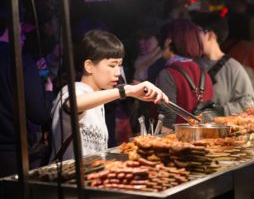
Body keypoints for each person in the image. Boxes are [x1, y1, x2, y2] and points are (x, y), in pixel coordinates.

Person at [50, 29, 168, 161]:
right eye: (112, 65)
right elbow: (73, 104)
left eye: (119, 65)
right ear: (89, 66)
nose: (118, 72)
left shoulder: (98, 100)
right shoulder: (74, 90)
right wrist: (127, 90)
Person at [0, 12, 54, 177]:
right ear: (10, 28)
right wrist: (48, 88)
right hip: (10, 155)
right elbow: (40, 114)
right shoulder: (21, 62)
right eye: (21, 31)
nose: (23, 37)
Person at [192, 12, 254, 116]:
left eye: (196, 33)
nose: (192, 39)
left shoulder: (233, 68)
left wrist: (221, 110)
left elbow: (248, 103)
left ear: (210, 35)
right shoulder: (192, 65)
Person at [155, 19, 214, 132]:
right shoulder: (204, 73)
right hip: (204, 140)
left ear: (167, 41)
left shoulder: (168, 74)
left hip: (179, 142)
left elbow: (167, 119)